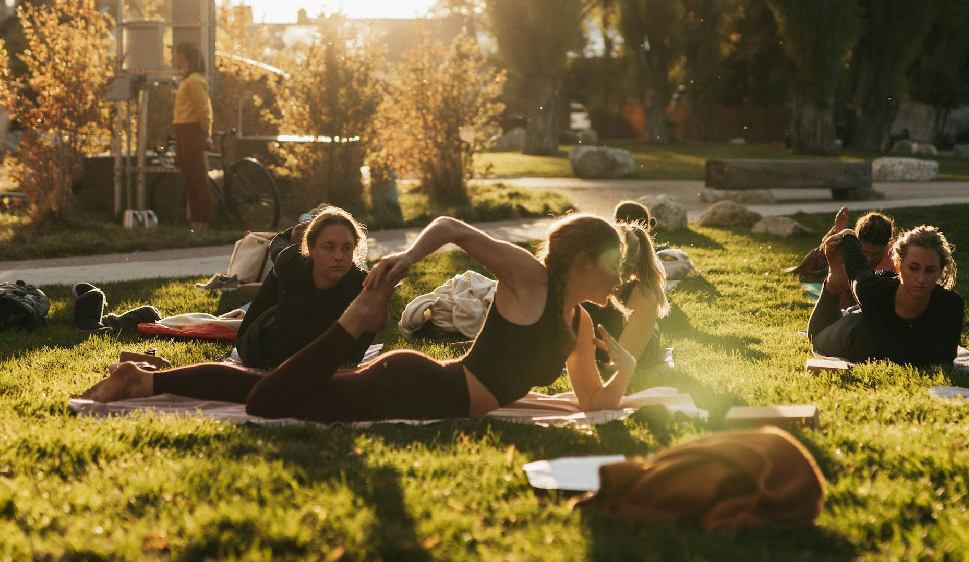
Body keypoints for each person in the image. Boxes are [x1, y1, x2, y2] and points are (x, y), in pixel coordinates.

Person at [81, 214, 639, 422]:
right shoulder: (531, 278)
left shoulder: (580, 324)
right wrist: (406, 260)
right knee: (270, 401)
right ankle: (142, 379)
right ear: (584, 260)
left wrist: (627, 372)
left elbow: (592, 404)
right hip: (419, 387)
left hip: (422, 389)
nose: (620, 279)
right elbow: (450, 227)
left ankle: (145, 379)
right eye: (614, 266)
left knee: (277, 389)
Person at [807, 220, 963, 366]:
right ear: (898, 264)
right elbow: (857, 266)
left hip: (870, 318)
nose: (921, 279)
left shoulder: (951, 304)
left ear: (940, 271)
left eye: (930, 270)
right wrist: (848, 234)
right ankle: (834, 283)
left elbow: (942, 360)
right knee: (817, 336)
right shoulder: (874, 291)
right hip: (851, 334)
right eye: (913, 268)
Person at [236, 206, 374, 369]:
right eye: (329, 247)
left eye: (347, 248)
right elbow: (277, 247)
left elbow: (356, 353)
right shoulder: (292, 263)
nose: (338, 257)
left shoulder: (362, 284)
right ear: (311, 248)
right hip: (263, 344)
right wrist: (291, 234)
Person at [585, 201, 670, 368]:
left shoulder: (643, 297)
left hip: (638, 352)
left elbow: (620, 365)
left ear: (631, 272)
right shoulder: (587, 280)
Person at [172, 41, 213, 231]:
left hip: (191, 131)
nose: (174, 58)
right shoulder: (187, 80)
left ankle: (202, 222)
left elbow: (203, 109)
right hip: (182, 130)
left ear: (183, 56)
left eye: (177, 54)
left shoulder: (196, 80)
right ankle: (195, 222)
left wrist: (206, 134)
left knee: (197, 179)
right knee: (189, 177)